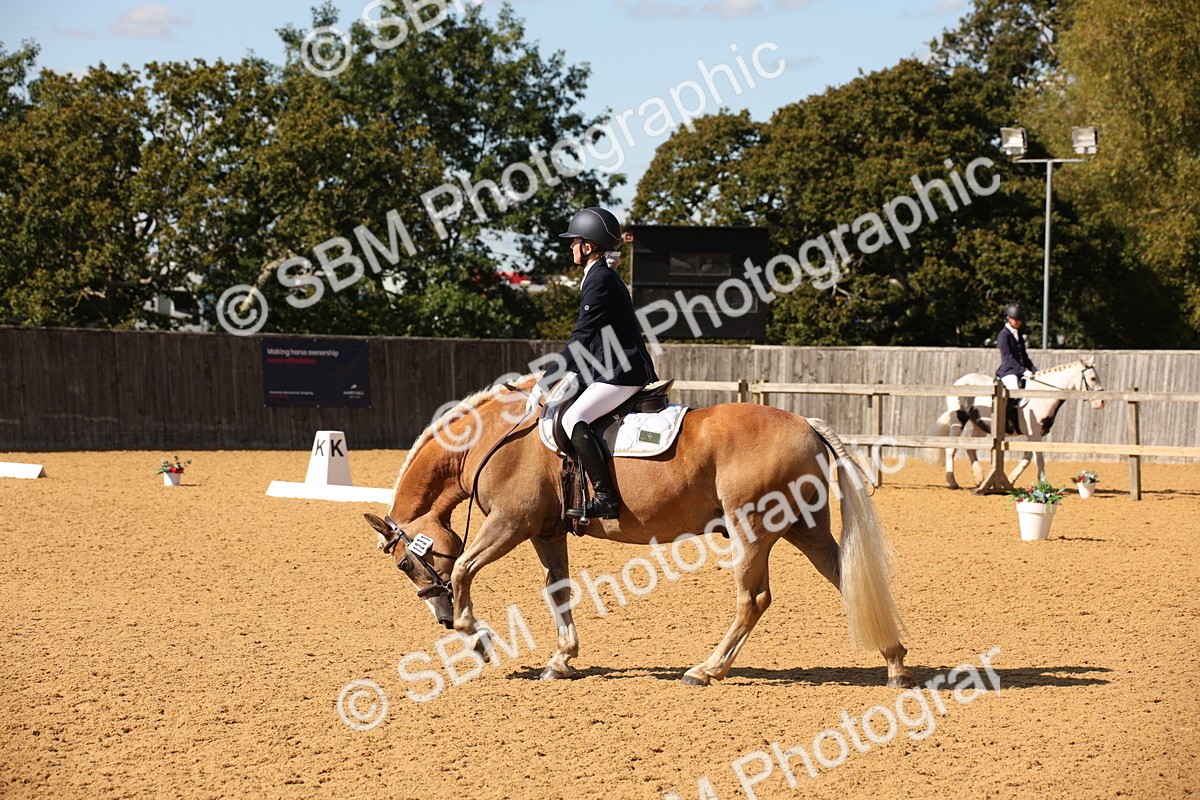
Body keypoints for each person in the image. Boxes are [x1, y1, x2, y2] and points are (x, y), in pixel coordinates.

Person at [551, 207, 658, 520]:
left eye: (573, 242)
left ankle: (607, 497)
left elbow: (582, 335)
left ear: (586, 247)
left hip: (622, 373)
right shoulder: (600, 276)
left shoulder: (599, 279)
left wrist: (548, 379)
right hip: (609, 368)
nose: (570, 247)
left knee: (573, 419)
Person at [995, 302, 1037, 426]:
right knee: (1014, 389)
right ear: (1008, 318)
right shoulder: (1003, 335)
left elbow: (1024, 356)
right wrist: (1023, 371)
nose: (1018, 322)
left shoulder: (1018, 334)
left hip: (1020, 370)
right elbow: (1008, 358)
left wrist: (1035, 370)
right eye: (1015, 319)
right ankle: (1003, 421)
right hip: (1009, 371)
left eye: (1020, 320)